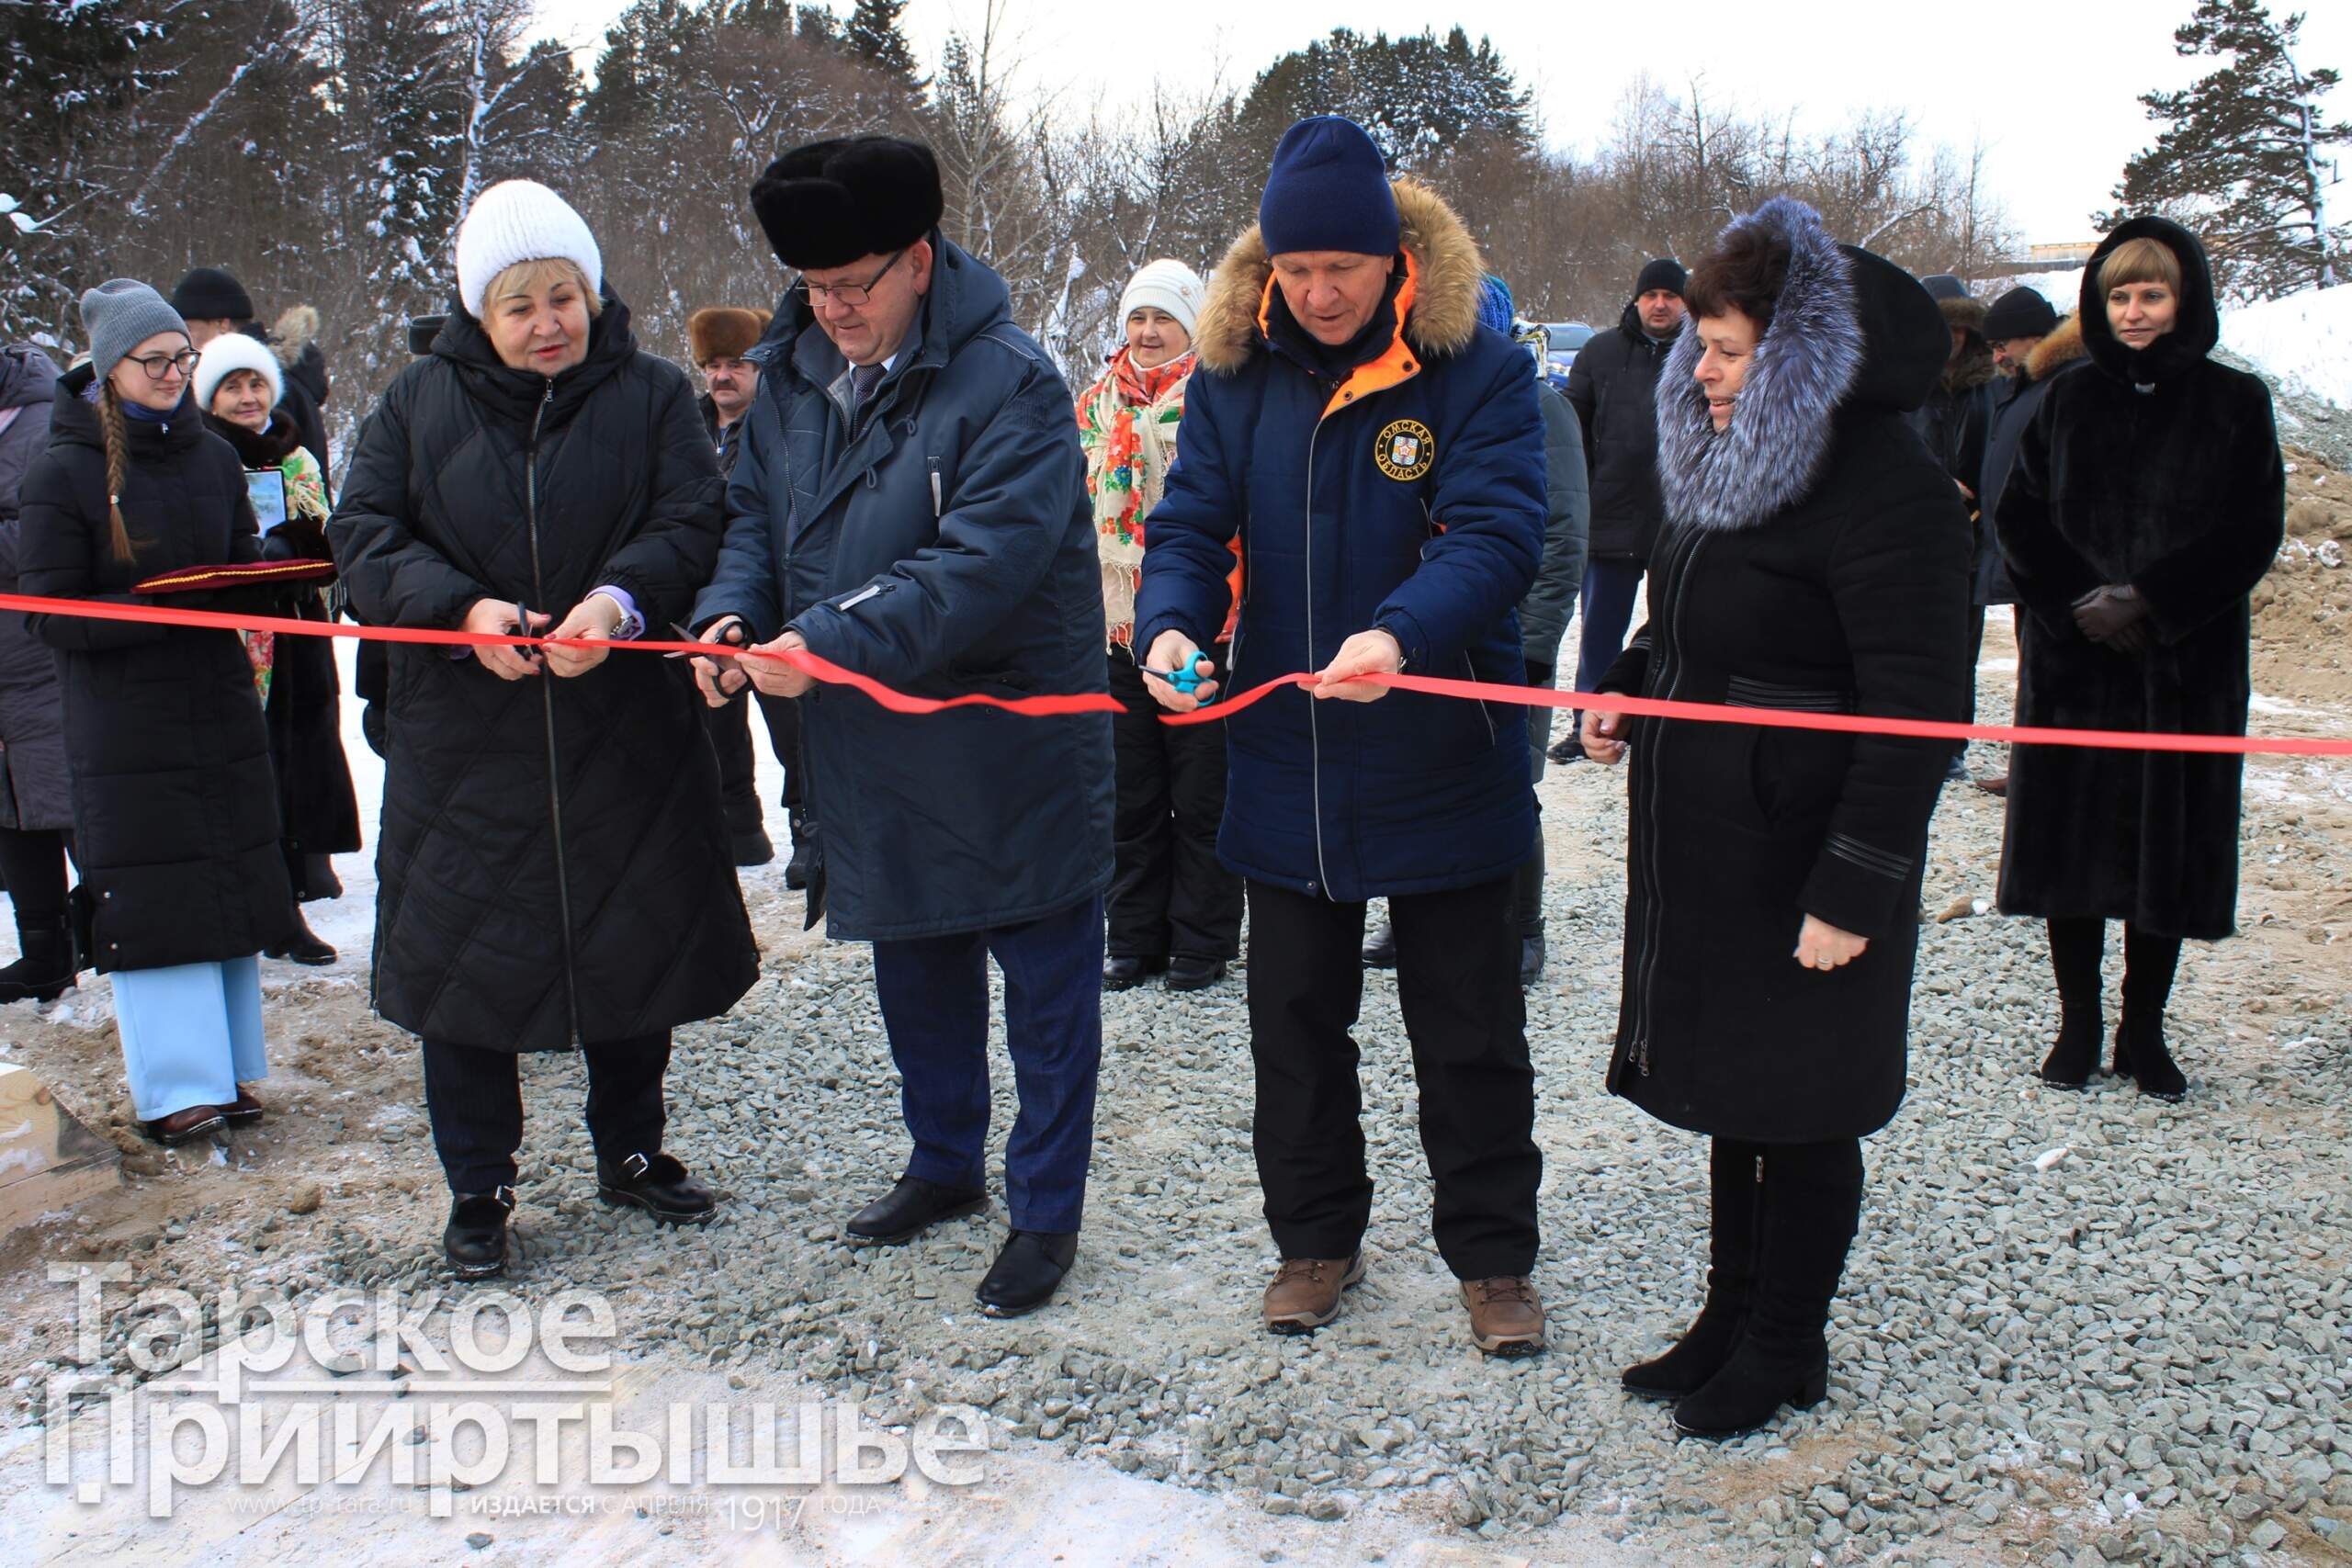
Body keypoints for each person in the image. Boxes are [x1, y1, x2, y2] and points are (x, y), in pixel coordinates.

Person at [1136, 116, 1550, 1356]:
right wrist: (1168, 624)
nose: (1317, 293)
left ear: (1393, 260)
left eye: (1343, 269)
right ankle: (1315, 1237)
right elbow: (1191, 526)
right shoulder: (1232, 375)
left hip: (1439, 746)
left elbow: (1497, 533)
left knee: (1469, 1030)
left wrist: (1401, 634)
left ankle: (1493, 1259)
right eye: (1295, 268)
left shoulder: (1475, 363)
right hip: (1289, 761)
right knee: (1296, 1027)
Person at [691, 136, 1114, 1318]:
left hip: (1008, 743)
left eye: (856, 286)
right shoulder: (786, 377)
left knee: (1043, 998)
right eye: (816, 291)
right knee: (915, 965)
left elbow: (978, 564)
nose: (834, 313)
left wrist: (825, 640)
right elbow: (750, 524)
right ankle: (943, 1162)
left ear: (920, 261)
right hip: (873, 740)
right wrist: (733, 615)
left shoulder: (1014, 384)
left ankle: (1044, 1209)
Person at [1578, 198, 1971, 1438]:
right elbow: (1692, 616)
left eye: (1729, 349)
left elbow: (1920, 706)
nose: (1701, 369)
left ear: (1802, 359)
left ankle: (1788, 1340)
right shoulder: (1733, 453)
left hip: (1807, 842)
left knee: (1805, 1100)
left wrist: (1855, 881)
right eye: (1701, 343)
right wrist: (1633, 682)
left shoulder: (1891, 486)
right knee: (1739, 1087)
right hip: (1713, 833)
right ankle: (1727, 1313)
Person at [330, 180, 759, 1278]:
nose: (546, 321)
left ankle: (632, 1148)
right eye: (518, 304)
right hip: (467, 740)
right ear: (481, 312)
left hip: (619, 724)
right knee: (468, 971)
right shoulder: (413, 405)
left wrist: (618, 601)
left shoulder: (655, 393)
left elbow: (692, 516)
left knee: (631, 939)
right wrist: (460, 608)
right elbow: (363, 538)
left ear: (592, 291)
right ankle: (478, 1185)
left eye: (562, 294)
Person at [1993, 219, 2282, 1100]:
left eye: (2152, 293)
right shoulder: (2068, 399)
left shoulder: (2236, 403)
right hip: (2076, 663)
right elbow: (2019, 517)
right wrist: (2083, 601)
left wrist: (2151, 597)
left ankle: (2143, 1030)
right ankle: (2077, 1023)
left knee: (2169, 849)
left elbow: (2251, 528)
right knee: (2071, 849)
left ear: (2184, 297)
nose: (2135, 311)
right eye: (2119, 295)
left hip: (2184, 666)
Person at [17, 281, 308, 1144]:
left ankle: (227, 1069)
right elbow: (44, 609)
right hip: (123, 722)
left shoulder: (213, 456)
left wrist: (271, 568)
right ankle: (175, 1086)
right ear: (112, 370)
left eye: (184, 358)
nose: (176, 374)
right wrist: (152, 611)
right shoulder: (61, 468)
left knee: (225, 878)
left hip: (214, 704)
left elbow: (238, 557)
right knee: (156, 896)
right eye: (157, 362)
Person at [1364, 274, 1587, 985]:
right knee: (1416, 778)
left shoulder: (1536, 403)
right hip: (1434, 633)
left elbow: (1561, 532)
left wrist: (1532, 640)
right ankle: (1412, 915)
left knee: (1512, 788)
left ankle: (1524, 928)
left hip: (1508, 641)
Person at [1080, 257, 1241, 994]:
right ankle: (1133, 933)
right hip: (1115, 628)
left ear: (1192, 324)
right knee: (1131, 791)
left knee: (1203, 792)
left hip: (1203, 622)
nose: (1147, 332)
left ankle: (1202, 938)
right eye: (1137, 319)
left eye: (1163, 319)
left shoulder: (1219, 396)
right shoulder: (1094, 404)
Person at [194, 332, 359, 965]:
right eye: (232, 386)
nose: (247, 396)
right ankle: (263, 907)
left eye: (256, 383)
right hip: (235, 637)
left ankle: (295, 887)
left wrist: (294, 547)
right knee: (247, 769)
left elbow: (327, 530)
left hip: (294, 630)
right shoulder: (202, 456)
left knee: (297, 763)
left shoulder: (297, 458)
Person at [686, 304, 809, 877]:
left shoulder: (782, 425)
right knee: (714, 724)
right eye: (712, 363)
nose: (722, 376)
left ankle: (809, 832)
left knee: (790, 721)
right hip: (702, 597)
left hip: (774, 594)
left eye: (736, 362)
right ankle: (740, 832)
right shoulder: (684, 430)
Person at [1555, 256, 1682, 748]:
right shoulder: (1600, 351)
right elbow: (1572, 429)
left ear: (1684, 304)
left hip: (1678, 520)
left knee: (1671, 629)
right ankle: (1586, 723)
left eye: (1670, 296)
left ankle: (1656, 722)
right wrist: (1583, 490)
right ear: (1636, 299)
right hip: (1609, 515)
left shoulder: (1700, 354)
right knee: (1600, 632)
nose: (1659, 304)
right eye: (1651, 294)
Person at [1969, 286, 2080, 797]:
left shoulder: (2065, 387)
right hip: (2022, 559)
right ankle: (2032, 768)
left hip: (2056, 565)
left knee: (2058, 674)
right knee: (2034, 670)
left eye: (2003, 345)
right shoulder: (2031, 385)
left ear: (2034, 338)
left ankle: (2050, 773)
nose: (1996, 357)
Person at [0, 342, 80, 1004]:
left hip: (41, 659)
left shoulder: (43, 418)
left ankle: (123, 934)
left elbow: (50, 532)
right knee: (11, 816)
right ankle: (44, 953)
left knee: (73, 806)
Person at [170, 267, 332, 484]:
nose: (185, 340)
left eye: (189, 328)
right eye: (233, 387)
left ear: (222, 325)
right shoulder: (275, 378)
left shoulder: (276, 391)